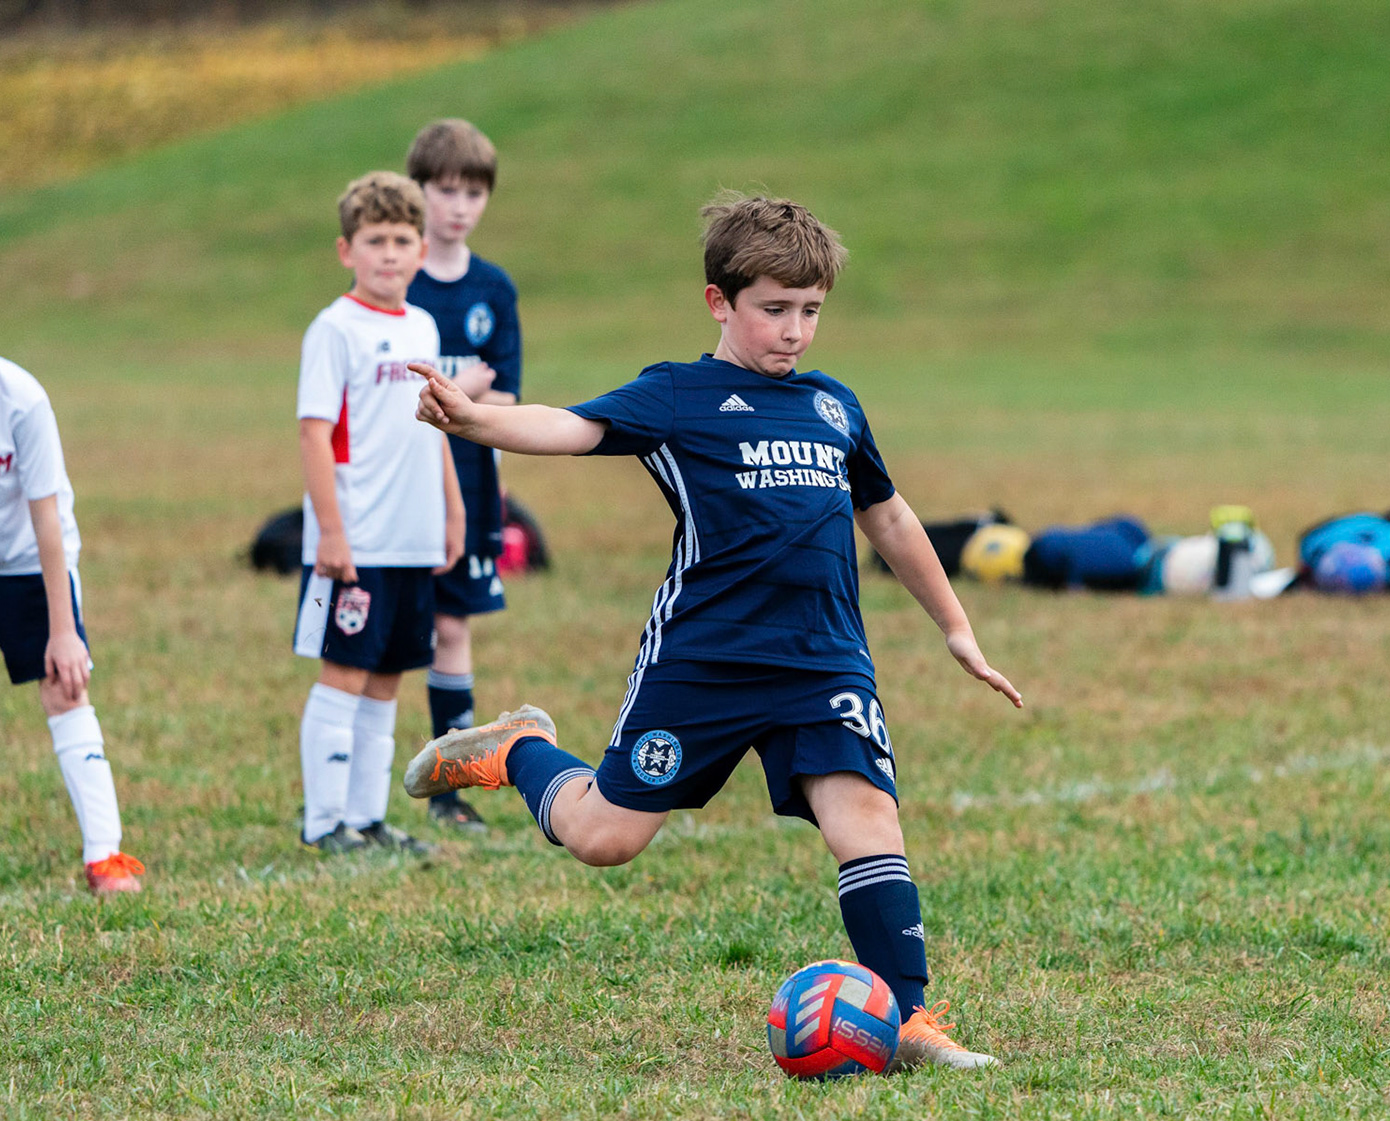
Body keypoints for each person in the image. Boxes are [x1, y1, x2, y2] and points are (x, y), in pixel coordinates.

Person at [401, 194, 1021, 1069]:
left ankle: (910, 1017)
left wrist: (956, 626)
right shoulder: (677, 396)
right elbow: (571, 426)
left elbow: (886, 516)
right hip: (705, 659)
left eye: (811, 310)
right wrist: (476, 422)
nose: (794, 331)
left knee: (867, 818)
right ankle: (518, 749)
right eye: (774, 309)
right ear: (719, 303)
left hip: (823, 660)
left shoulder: (833, 408)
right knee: (604, 840)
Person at [293, 172, 464, 854]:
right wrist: (331, 532)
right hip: (355, 542)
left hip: (411, 538)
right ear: (347, 250)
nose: (388, 254)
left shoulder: (423, 325)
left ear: (421, 250)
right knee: (344, 674)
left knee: (388, 679)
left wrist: (451, 511)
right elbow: (314, 434)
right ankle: (324, 822)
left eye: (400, 240)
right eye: (374, 241)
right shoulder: (334, 329)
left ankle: (367, 819)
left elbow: (437, 424)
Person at [0, 260, 143, 894]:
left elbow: (46, 519)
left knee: (64, 689)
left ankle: (105, 857)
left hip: (29, 563)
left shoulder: (20, 400)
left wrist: (64, 631)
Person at [405, 119, 524, 834]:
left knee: (453, 625)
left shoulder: (493, 288)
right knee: (392, 634)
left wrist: (461, 395)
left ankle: (452, 789)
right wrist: (462, 384)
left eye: (473, 193)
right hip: (401, 481)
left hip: (470, 480)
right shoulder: (396, 275)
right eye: (446, 191)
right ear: (417, 190)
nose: (459, 207)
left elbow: (506, 397)